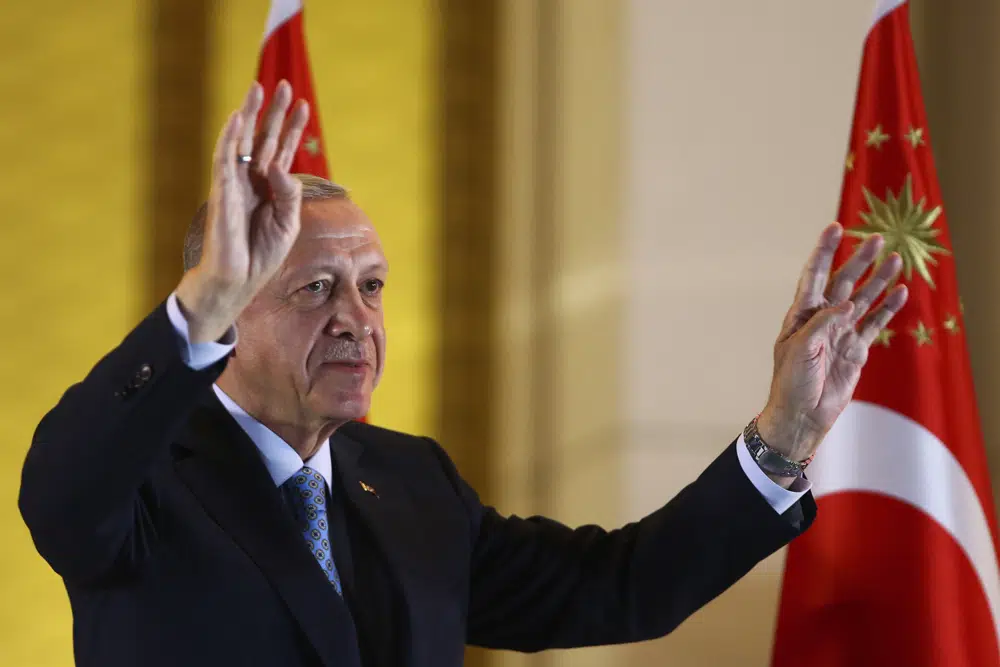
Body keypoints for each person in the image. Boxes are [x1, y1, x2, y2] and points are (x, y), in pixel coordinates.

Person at [18, 81, 908, 667]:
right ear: (230, 306)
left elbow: (618, 586)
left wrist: (785, 437)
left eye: (371, 288)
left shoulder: (412, 484)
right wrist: (196, 305)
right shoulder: (142, 482)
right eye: (314, 288)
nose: (355, 319)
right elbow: (61, 483)